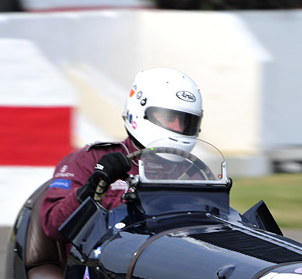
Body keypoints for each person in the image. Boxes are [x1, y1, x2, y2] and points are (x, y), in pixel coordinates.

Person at [40, 67, 204, 240]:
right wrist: (92, 186)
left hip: (168, 260)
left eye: (186, 121)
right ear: (140, 111)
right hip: (102, 261)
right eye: (170, 118)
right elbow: (53, 226)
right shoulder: (89, 159)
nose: (179, 128)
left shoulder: (192, 174)